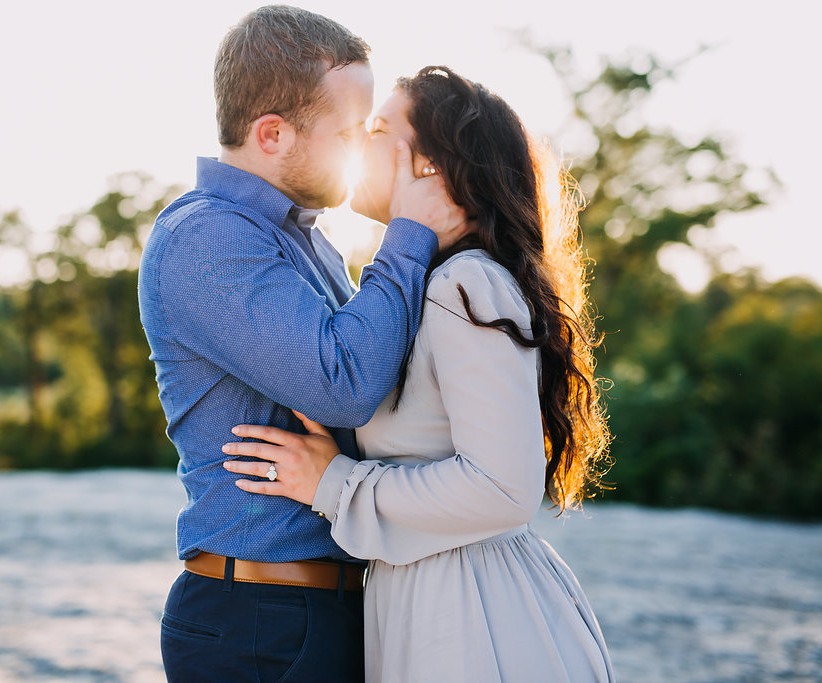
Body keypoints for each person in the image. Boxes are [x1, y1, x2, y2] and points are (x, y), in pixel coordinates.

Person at [222, 66, 616, 682]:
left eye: (377, 128)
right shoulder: (433, 284)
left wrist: (335, 484)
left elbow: (503, 488)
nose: (357, 140)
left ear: (428, 166)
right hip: (434, 597)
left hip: (472, 617)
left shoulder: (465, 285)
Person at [138, 7, 469, 682]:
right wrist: (409, 233)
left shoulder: (307, 236)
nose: (362, 147)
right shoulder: (207, 237)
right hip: (258, 622)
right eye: (349, 130)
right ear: (271, 134)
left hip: (314, 611)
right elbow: (343, 385)